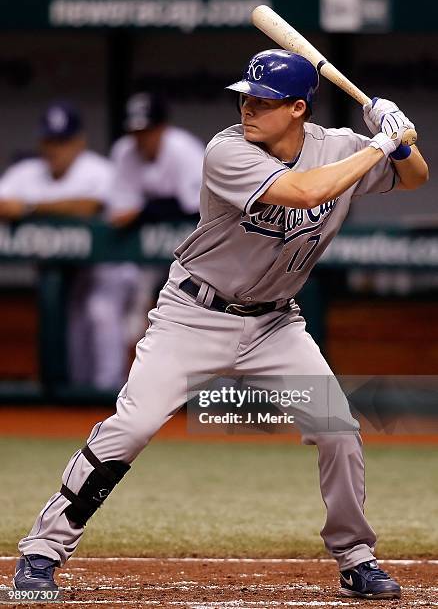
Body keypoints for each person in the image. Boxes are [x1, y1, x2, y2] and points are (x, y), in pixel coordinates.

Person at [13, 51, 428, 600]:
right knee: (131, 429)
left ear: (299, 109)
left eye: (264, 100)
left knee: (339, 431)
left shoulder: (338, 148)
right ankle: (41, 552)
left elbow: (415, 179)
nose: (248, 106)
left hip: (274, 324)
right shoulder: (227, 150)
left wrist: (402, 141)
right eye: (245, 96)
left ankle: (355, 557)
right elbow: (306, 193)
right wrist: (378, 144)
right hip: (193, 315)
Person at [0, 102, 114, 388]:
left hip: (107, 270)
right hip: (65, 274)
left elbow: (88, 206)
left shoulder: (97, 170)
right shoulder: (26, 171)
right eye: (49, 140)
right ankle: (73, 399)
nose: (54, 149)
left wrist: (28, 207)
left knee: (100, 312)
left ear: (78, 142)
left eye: (61, 141)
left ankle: (110, 393)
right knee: (71, 322)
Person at [107, 91, 204, 340]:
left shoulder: (184, 150)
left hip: (193, 243)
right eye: (135, 131)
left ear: (162, 127)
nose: (140, 139)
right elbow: (120, 212)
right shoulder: (124, 152)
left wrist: (144, 212)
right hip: (145, 254)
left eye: (146, 131)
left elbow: (195, 207)